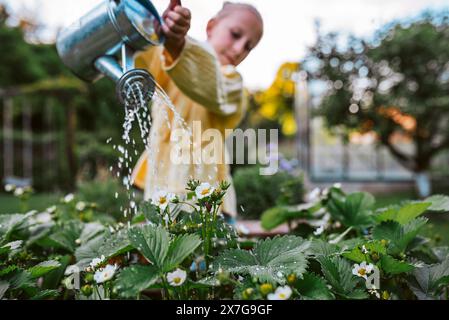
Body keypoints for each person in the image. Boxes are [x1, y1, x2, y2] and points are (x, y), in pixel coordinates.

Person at [131, 1, 264, 219]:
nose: (240, 49)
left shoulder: (232, 84)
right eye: (235, 34)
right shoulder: (168, 60)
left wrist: (179, 46)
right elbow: (143, 59)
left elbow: (210, 86)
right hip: (161, 196)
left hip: (211, 206)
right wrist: (159, 31)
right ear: (211, 27)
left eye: (249, 46)